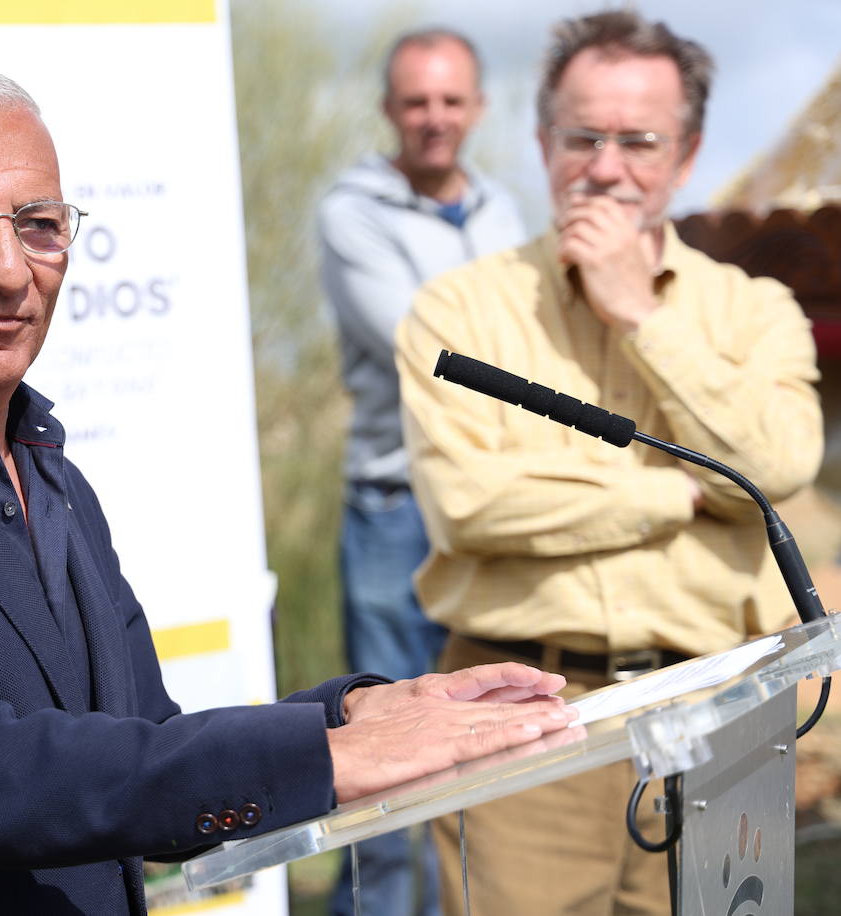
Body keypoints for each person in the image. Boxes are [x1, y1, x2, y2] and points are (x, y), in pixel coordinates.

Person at [0, 58, 577, 915]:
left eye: (39, 224)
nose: (8, 270)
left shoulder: (48, 469)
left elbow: (140, 741)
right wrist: (318, 755)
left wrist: (353, 714)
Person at [396, 11, 823, 915]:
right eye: (582, 136)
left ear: (689, 152)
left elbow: (776, 467)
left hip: (724, 707)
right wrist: (684, 489)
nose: (606, 165)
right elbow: (468, 507)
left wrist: (642, 314)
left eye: (640, 140)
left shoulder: (756, 309)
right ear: (543, 140)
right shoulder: (458, 313)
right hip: (521, 716)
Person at [317, 27, 526, 916]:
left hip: (493, 507)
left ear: (476, 107)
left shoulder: (504, 211)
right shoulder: (351, 211)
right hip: (396, 513)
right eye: (416, 102)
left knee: (485, 746)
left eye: (450, 101)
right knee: (389, 761)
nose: (434, 119)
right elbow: (425, 347)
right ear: (388, 111)